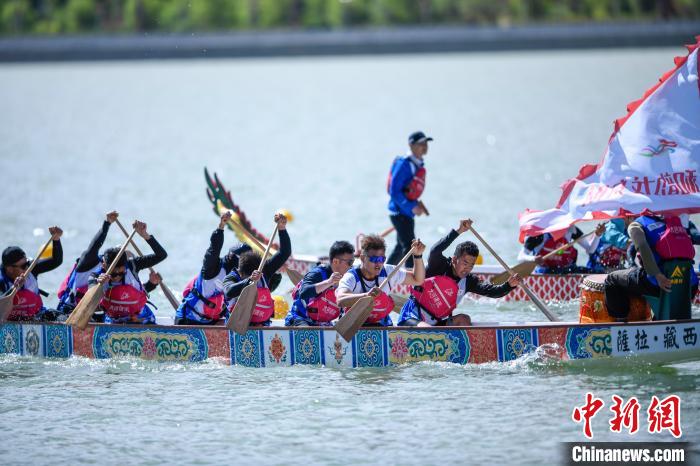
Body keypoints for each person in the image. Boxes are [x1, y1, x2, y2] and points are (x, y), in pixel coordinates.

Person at [398, 219, 522, 326]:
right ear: (454, 259)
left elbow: (493, 292)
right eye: (465, 263)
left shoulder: (469, 281)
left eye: (471, 265)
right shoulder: (439, 265)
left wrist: (509, 285)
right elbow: (435, 250)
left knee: (464, 319)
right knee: (426, 328)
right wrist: (458, 231)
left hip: (436, 323)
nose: (467, 268)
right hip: (413, 316)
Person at [176, 211, 264, 325]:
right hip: (188, 319)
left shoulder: (242, 276)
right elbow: (214, 248)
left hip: (212, 322)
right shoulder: (212, 268)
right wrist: (221, 226)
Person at [604, 214, 698, 320]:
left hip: (660, 284)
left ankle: (621, 322)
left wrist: (657, 275)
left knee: (611, 279)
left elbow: (642, 247)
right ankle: (659, 318)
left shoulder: (636, 225)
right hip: (690, 285)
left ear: (629, 217)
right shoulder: (675, 220)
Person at [336, 234, 425, 327]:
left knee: (384, 299)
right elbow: (340, 300)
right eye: (374, 259)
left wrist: (418, 256)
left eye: (382, 259)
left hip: (380, 323)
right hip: (354, 324)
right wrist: (366, 296)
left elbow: (417, 280)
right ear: (362, 258)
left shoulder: (389, 271)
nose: (378, 263)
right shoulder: (352, 277)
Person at [89, 220, 167, 324]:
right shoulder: (96, 275)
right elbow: (90, 299)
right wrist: (99, 285)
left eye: (121, 273)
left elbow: (162, 255)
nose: (117, 276)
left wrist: (145, 235)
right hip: (114, 320)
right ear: (104, 266)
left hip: (139, 317)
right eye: (113, 273)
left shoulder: (133, 265)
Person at [223, 213, 291, 327]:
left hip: (262, 324)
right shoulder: (231, 278)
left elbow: (285, 252)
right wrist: (249, 280)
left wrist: (282, 228)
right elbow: (228, 291)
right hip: (239, 325)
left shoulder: (264, 270)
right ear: (241, 272)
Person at [57, 211, 119, 318]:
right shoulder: (87, 262)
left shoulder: (117, 271)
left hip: (95, 312)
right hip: (70, 310)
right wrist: (107, 223)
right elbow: (95, 245)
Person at [386, 131, 431, 268]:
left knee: (401, 247)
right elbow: (394, 191)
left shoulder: (416, 164)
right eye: (421, 143)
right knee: (410, 247)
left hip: (405, 214)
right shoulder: (404, 164)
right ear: (411, 145)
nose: (425, 146)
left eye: (426, 143)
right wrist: (412, 206)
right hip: (399, 213)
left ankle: (384, 274)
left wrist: (416, 205)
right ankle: (413, 277)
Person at [285, 241, 355, 327]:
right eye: (349, 262)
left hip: (323, 323)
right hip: (300, 318)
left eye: (353, 262)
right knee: (308, 332)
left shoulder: (347, 279)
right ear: (335, 261)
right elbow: (303, 292)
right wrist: (329, 282)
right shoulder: (317, 273)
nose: (352, 267)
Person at [0, 226, 63, 321]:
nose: (27, 268)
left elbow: (56, 261)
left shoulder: (31, 268)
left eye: (27, 263)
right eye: (23, 266)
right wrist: (14, 288)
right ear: (10, 269)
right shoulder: (1, 281)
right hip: (10, 322)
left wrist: (56, 239)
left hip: (36, 316)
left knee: (62, 318)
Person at [519, 224, 604, 274]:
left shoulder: (571, 229)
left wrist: (597, 235)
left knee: (600, 272)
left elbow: (590, 250)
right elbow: (520, 257)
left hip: (568, 270)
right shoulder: (539, 234)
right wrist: (533, 259)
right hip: (545, 272)